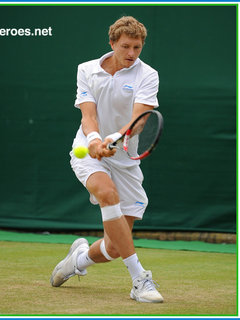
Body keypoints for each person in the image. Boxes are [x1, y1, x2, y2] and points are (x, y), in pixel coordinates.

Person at [50, 16, 163, 303]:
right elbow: (88, 116)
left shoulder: (148, 74)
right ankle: (140, 280)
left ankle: (76, 261)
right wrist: (95, 141)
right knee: (107, 194)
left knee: (113, 247)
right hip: (88, 150)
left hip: (125, 157)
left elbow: (139, 121)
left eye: (137, 48)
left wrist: (115, 138)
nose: (131, 54)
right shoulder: (86, 70)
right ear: (112, 43)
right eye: (125, 46)